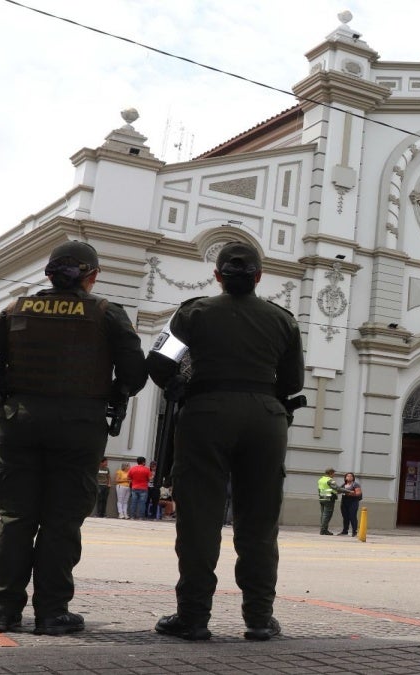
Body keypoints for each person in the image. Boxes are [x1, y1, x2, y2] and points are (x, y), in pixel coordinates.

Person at [0, 240, 146, 635]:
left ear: (49, 273)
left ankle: (3, 611)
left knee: (16, 518)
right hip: (79, 425)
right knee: (62, 521)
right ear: (92, 275)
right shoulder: (107, 313)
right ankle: (52, 613)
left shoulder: (15, 308)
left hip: (18, 422)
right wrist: (110, 390)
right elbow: (135, 377)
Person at [152, 241, 304, 642]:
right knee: (258, 522)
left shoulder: (192, 313)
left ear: (217, 276)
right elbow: (293, 383)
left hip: (206, 414)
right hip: (266, 419)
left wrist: (179, 385)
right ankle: (258, 618)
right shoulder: (283, 320)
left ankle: (194, 617)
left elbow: (159, 361)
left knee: (200, 518)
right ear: (258, 277)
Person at [338, 472, 362, 537]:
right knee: (345, 517)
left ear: (353, 478)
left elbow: (358, 493)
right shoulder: (343, 484)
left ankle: (355, 532)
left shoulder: (355, 484)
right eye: (348, 476)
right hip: (344, 502)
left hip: (353, 502)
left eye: (351, 476)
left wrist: (349, 493)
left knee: (352, 516)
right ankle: (345, 531)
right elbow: (338, 491)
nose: (349, 477)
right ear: (345, 478)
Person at [317, 468, 340, 535]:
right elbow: (337, 488)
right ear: (331, 473)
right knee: (327, 515)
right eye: (333, 473)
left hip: (322, 496)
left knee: (323, 514)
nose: (334, 475)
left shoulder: (320, 479)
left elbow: (319, 489)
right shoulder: (330, 480)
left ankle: (324, 529)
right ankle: (323, 530)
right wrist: (348, 491)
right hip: (329, 498)